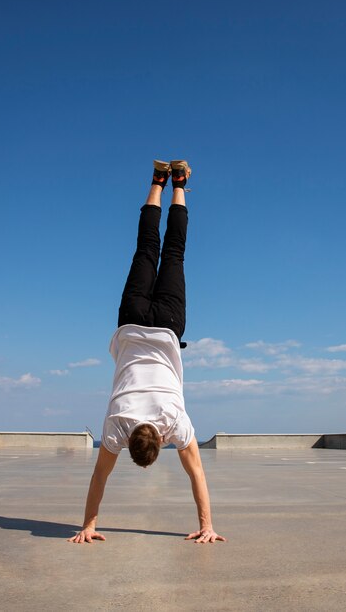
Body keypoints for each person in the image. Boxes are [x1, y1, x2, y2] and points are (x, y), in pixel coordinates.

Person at [69, 160, 226, 545]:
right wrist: (88, 524)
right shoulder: (118, 425)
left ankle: (180, 183)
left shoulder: (174, 422)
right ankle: (158, 180)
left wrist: (207, 525)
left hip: (169, 324)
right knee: (145, 249)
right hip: (133, 319)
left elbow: (197, 474)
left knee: (173, 253)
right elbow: (99, 477)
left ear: (159, 442)